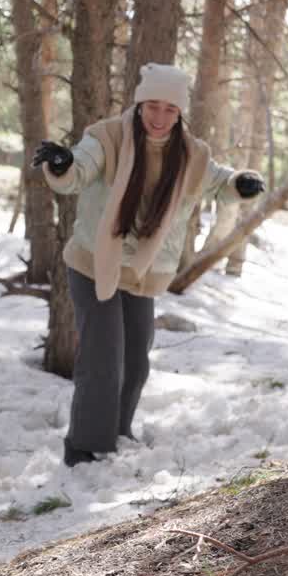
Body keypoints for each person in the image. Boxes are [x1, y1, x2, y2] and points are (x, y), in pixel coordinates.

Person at [32, 63, 266, 467]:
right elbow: (80, 168)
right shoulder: (108, 136)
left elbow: (219, 182)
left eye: (169, 110)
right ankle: (85, 447)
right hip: (94, 263)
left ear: (180, 114)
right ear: (139, 104)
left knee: (135, 360)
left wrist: (239, 184)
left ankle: (116, 433)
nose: (159, 119)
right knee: (104, 356)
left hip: (141, 272)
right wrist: (61, 162)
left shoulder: (192, 155)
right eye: (151, 107)